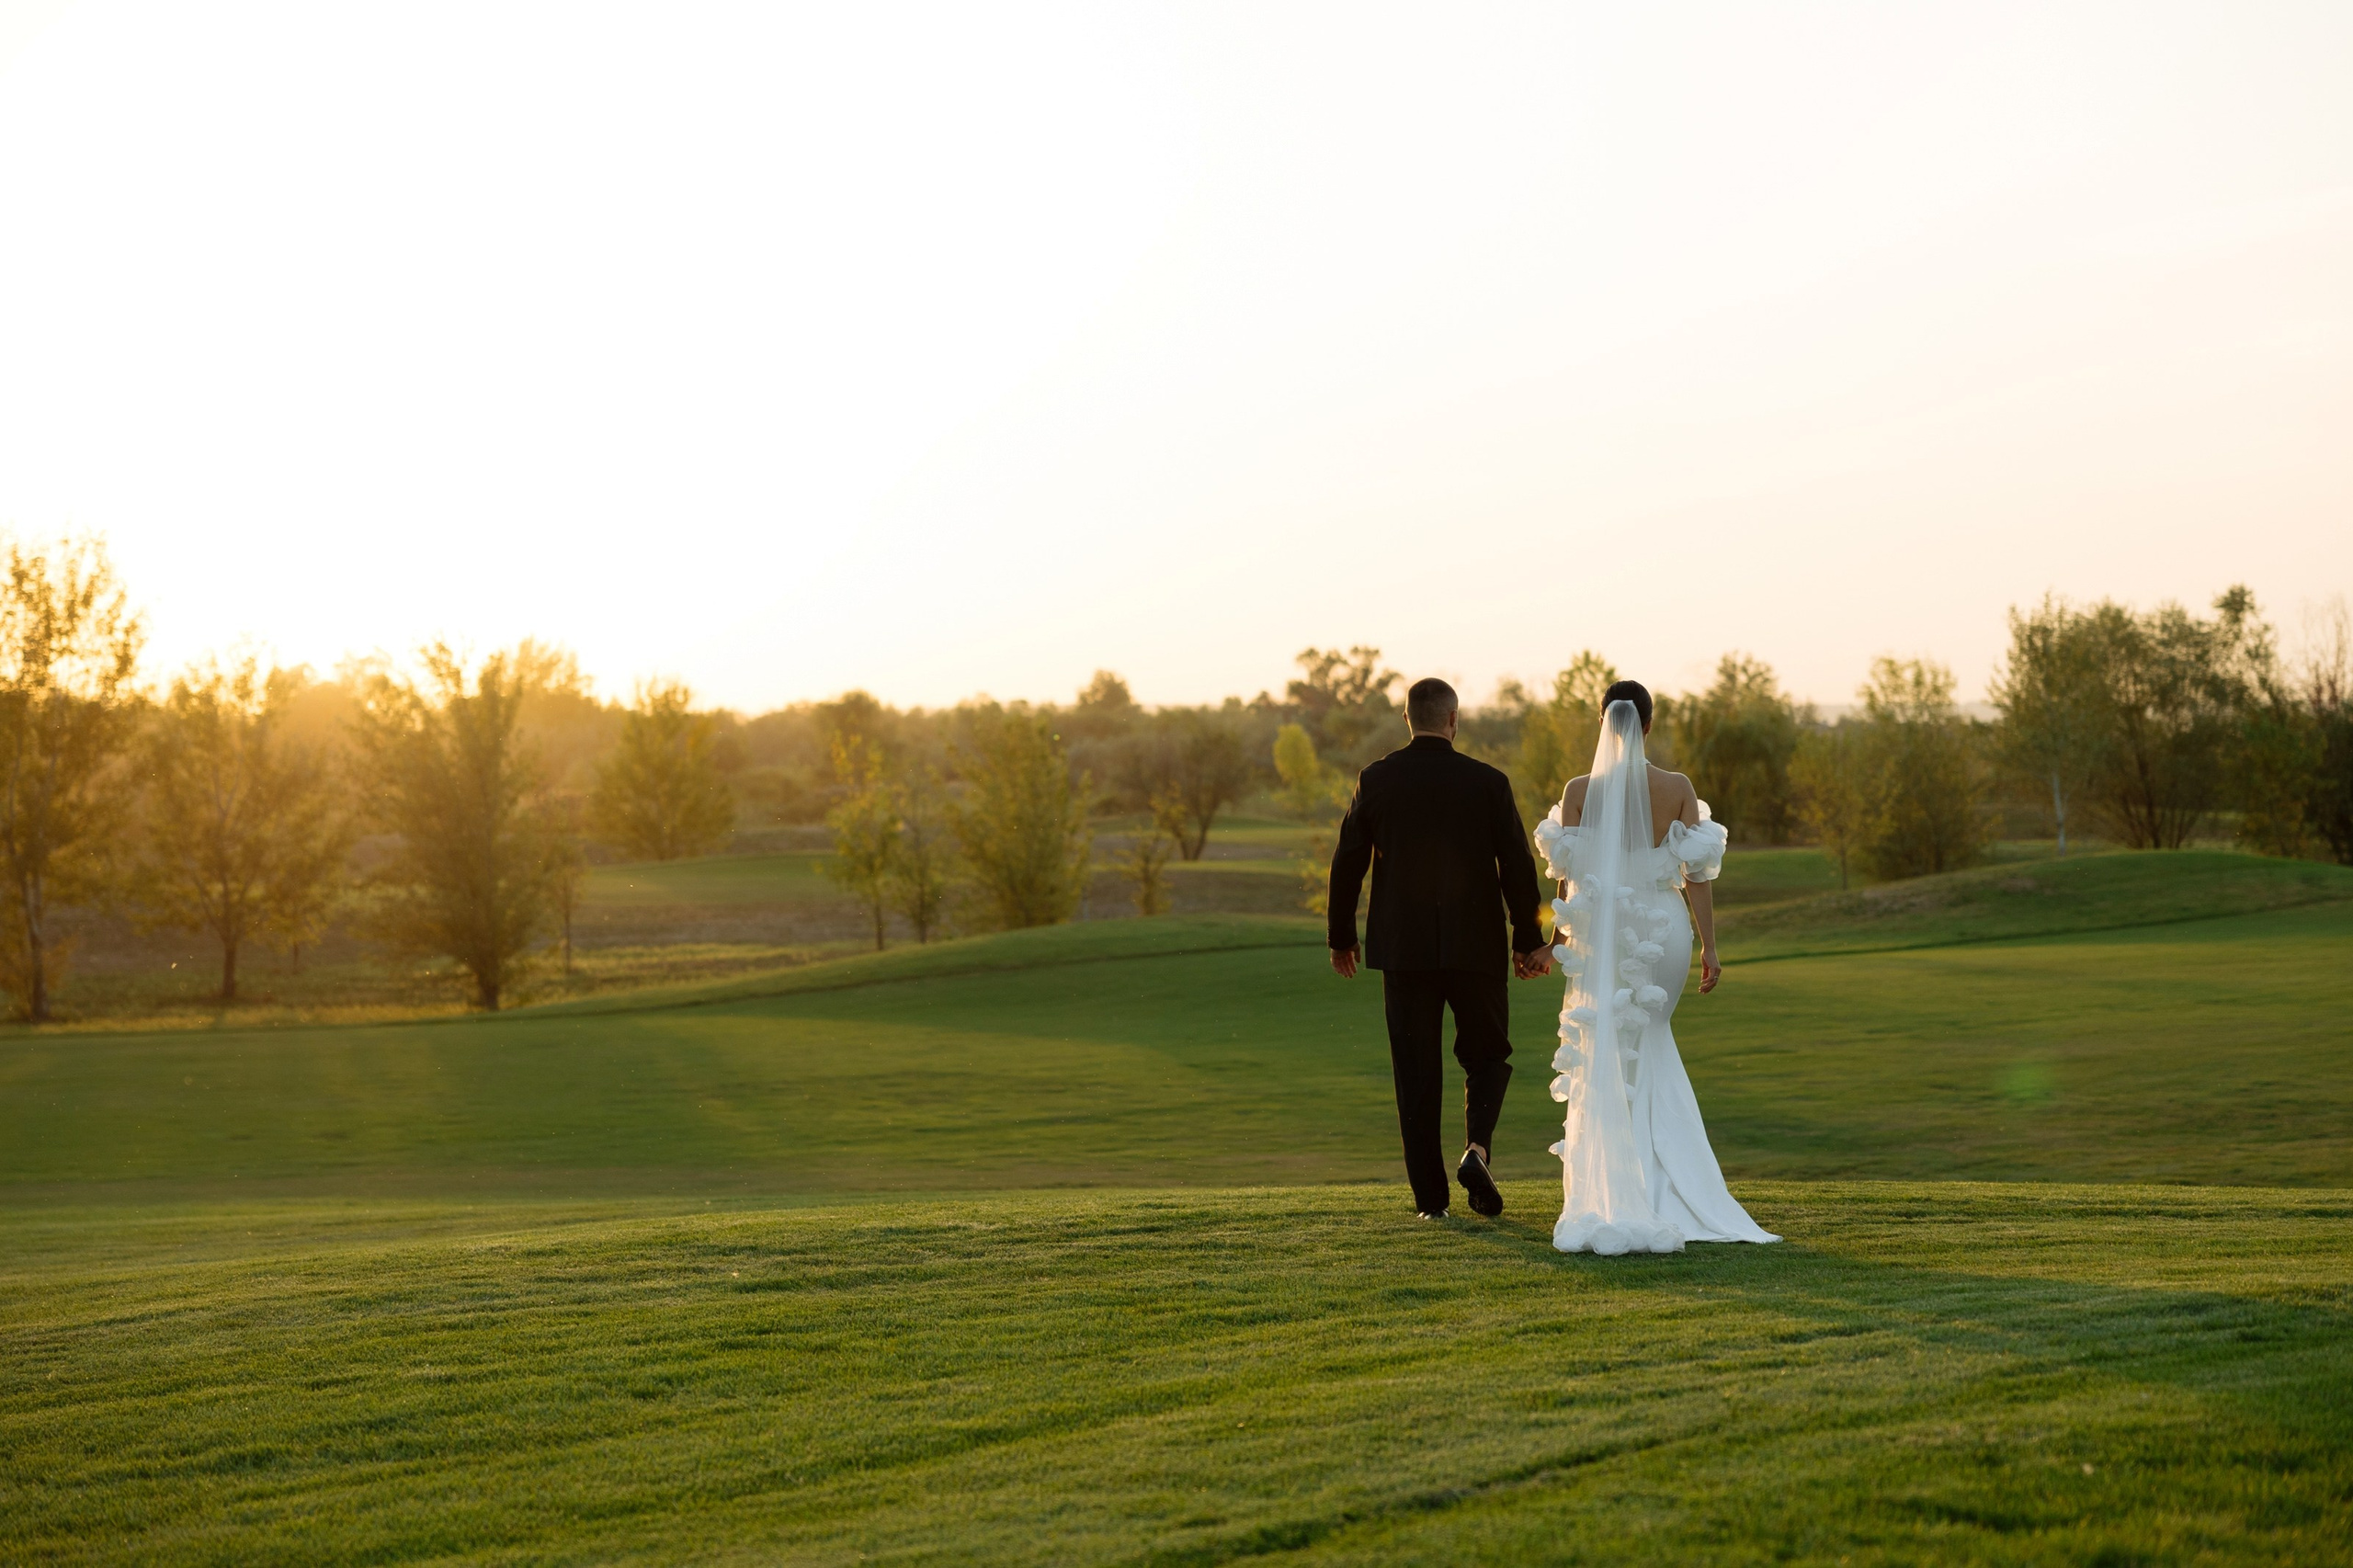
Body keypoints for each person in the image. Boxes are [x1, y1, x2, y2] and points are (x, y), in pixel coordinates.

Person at [1535, 679, 1779, 1255]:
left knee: (1607, 1046)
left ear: (1603, 723)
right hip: (1661, 929)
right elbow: (1696, 876)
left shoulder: (1578, 790)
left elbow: (1571, 883)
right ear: (1647, 724)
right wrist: (1709, 948)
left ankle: (1620, 1184)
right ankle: (1664, 1184)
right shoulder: (1676, 788)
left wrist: (1554, 942)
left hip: (1601, 936)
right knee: (1651, 1037)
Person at [1326, 676, 1552, 1220]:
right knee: (1488, 1056)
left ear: (1408, 719)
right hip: (1476, 948)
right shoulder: (1488, 782)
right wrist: (1526, 940)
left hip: (1403, 952)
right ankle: (1476, 1150)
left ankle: (1432, 1203)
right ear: (1454, 720)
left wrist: (1341, 936)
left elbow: (1347, 859)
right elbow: (1518, 867)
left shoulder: (1376, 779)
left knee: (1416, 1072)